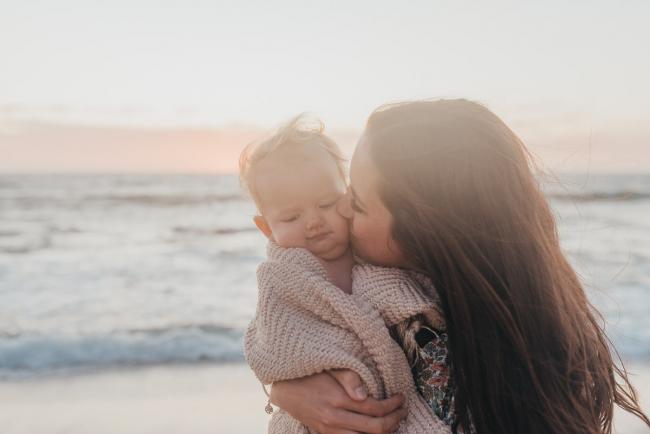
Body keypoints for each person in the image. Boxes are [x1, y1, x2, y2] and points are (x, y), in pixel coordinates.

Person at [268, 99, 650, 434]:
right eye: (348, 189)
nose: (343, 210)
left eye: (361, 203)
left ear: (423, 233)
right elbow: (289, 324)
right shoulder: (363, 273)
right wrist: (287, 390)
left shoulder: (513, 362)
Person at [239, 115, 455, 433]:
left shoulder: (373, 249)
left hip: (392, 404)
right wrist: (289, 384)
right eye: (292, 216)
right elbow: (271, 341)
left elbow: (418, 299)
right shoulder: (283, 276)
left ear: (348, 196)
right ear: (266, 228)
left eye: (326, 203)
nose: (313, 222)